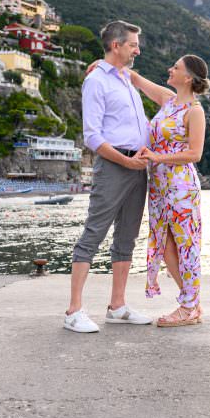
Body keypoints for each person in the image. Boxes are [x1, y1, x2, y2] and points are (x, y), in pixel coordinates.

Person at [85, 53, 210, 327]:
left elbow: (195, 153)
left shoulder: (194, 111)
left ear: (187, 77)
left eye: (175, 67)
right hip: (159, 186)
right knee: (165, 248)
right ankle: (191, 302)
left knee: (185, 245)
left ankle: (188, 306)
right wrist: (104, 66)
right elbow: (135, 78)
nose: (170, 69)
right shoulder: (168, 100)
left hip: (180, 186)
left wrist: (157, 157)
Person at [64, 20, 154, 333]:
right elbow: (92, 136)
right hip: (115, 165)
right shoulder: (96, 82)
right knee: (94, 233)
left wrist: (139, 160)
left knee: (127, 236)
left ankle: (117, 306)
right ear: (116, 45)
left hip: (138, 167)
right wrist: (125, 163)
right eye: (133, 44)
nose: (138, 50)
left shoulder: (126, 79)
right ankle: (73, 310)